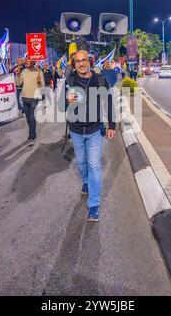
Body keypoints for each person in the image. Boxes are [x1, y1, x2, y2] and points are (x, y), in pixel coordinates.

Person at [64, 50, 116, 223]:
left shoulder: (100, 80)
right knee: (81, 163)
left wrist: (112, 124)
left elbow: (108, 102)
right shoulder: (70, 80)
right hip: (76, 130)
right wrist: (67, 101)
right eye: (77, 61)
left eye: (84, 60)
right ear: (74, 64)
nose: (81, 63)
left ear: (90, 61)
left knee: (94, 165)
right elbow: (63, 107)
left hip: (94, 130)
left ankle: (94, 206)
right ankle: (85, 181)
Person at [15, 60, 45, 142]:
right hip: (24, 97)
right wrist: (17, 75)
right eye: (26, 61)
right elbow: (18, 84)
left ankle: (32, 134)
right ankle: (32, 131)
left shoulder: (39, 71)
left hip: (34, 98)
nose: (27, 62)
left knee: (31, 117)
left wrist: (40, 83)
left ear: (33, 62)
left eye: (29, 61)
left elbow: (43, 85)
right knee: (28, 117)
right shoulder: (23, 71)